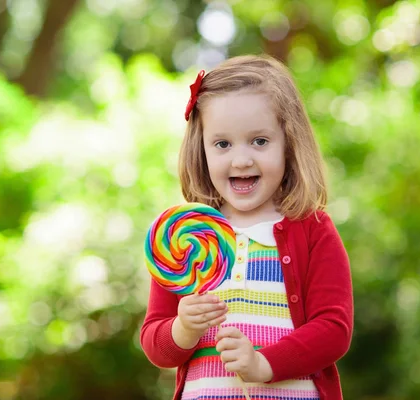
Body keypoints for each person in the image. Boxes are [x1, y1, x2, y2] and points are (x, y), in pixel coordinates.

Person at [140, 54, 353, 400]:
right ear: (202, 149)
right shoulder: (185, 236)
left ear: (289, 144)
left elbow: (333, 329)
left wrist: (263, 364)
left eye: (260, 141)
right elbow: (154, 342)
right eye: (223, 144)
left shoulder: (312, 229)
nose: (241, 159)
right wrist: (184, 327)